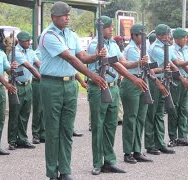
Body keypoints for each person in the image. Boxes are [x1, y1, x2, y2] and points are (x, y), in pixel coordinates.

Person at [39, 2, 107, 179]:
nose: (67, 17)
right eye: (64, 15)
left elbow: (82, 56)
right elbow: (70, 58)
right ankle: (52, 172)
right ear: (54, 17)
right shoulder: (48, 35)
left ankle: (65, 171)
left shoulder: (71, 34)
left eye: (68, 15)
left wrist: (96, 56)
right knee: (53, 131)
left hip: (70, 85)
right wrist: (92, 75)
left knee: (67, 130)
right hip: (51, 85)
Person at [87, 16, 147, 175]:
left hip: (112, 87)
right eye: (108, 27)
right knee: (98, 126)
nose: (111, 29)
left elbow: (123, 63)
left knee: (110, 126)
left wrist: (139, 63)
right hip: (99, 87)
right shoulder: (95, 45)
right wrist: (133, 78)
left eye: (111, 26)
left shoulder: (112, 44)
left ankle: (109, 160)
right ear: (101, 30)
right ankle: (97, 163)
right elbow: (114, 64)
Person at [145, 24, 188, 156]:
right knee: (152, 114)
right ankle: (151, 144)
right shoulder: (156, 48)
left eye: (169, 34)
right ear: (160, 35)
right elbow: (172, 65)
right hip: (154, 82)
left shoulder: (166, 46)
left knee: (160, 114)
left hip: (164, 81)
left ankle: (160, 143)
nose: (169, 36)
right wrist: (184, 80)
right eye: (167, 34)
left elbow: (177, 62)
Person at [121, 23, 168, 164]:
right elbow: (135, 65)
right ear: (134, 35)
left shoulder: (142, 48)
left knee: (140, 118)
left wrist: (156, 81)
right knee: (131, 118)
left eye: (143, 35)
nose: (142, 37)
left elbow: (148, 68)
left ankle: (137, 150)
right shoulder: (130, 49)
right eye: (140, 35)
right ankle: (128, 152)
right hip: (132, 83)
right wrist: (141, 62)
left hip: (143, 81)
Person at [7, 31, 41, 150]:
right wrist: (42, 78)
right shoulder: (16, 52)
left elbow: (38, 64)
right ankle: (12, 140)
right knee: (15, 114)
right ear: (20, 41)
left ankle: (22, 139)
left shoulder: (31, 52)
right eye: (27, 41)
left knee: (25, 114)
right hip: (17, 85)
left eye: (29, 40)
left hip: (27, 85)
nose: (29, 42)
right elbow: (30, 67)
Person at [167, 28, 188, 147]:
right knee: (174, 109)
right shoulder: (171, 49)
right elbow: (177, 64)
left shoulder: (186, 49)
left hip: (186, 80)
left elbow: (185, 66)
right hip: (176, 81)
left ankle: (183, 136)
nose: (186, 40)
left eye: (186, 38)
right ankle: (173, 137)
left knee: (184, 109)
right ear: (177, 39)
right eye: (184, 38)